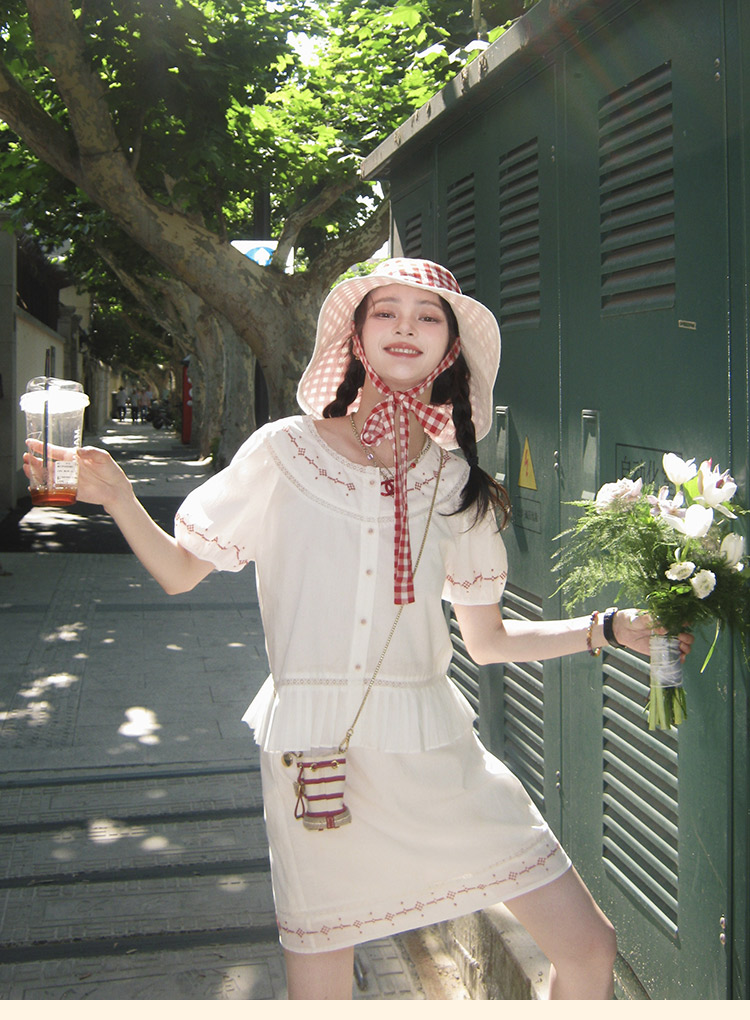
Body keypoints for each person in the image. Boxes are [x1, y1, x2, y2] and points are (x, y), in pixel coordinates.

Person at [27, 259, 692, 1000]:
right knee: (322, 995)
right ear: (356, 336)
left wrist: (610, 628)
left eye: (427, 315)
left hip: (437, 754)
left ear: (449, 349)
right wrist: (120, 497)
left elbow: (490, 641)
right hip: (317, 761)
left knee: (590, 949)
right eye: (386, 311)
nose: (406, 326)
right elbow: (183, 571)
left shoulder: (457, 485)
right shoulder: (284, 452)